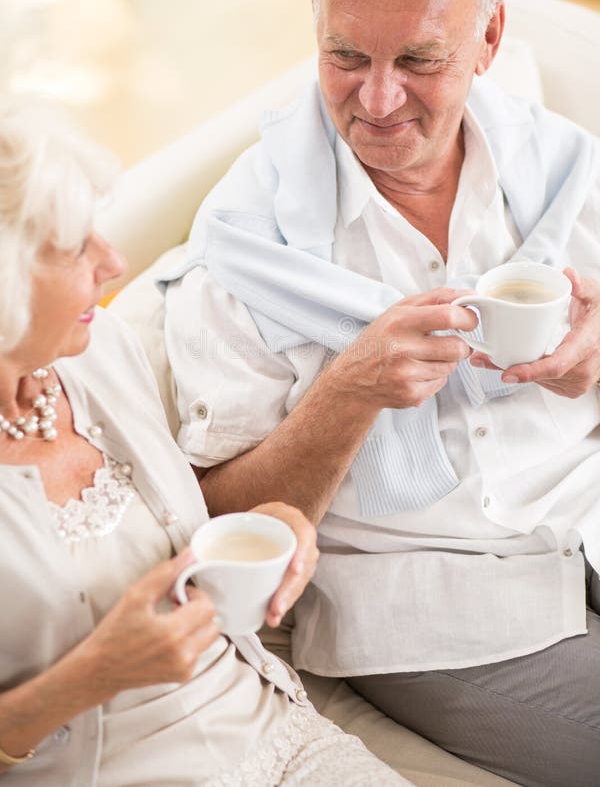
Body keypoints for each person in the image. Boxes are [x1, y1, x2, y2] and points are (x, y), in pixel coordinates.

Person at [161, 0, 600, 787]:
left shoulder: (562, 170)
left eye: (421, 60)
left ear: (489, 39)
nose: (379, 98)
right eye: (347, 56)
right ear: (315, 29)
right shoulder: (241, 258)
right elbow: (210, 521)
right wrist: (347, 392)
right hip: (445, 609)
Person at [0, 101, 411, 787]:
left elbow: (180, 541)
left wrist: (271, 524)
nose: (114, 261)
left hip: (272, 731)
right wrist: (96, 674)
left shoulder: (99, 349)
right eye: (76, 248)